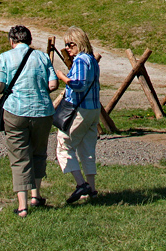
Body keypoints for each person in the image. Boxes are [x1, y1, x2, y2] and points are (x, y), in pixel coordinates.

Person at [0, 25, 57, 218]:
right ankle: (36, 196)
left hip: (15, 111)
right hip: (42, 111)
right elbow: (53, 84)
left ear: (12, 41)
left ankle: (22, 206)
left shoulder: (5, 57)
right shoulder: (42, 57)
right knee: (38, 153)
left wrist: (8, 90)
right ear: (30, 40)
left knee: (20, 157)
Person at [55, 26, 101, 204]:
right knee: (87, 149)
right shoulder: (92, 60)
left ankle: (81, 184)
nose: (67, 48)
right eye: (66, 44)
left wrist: (63, 77)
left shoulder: (81, 60)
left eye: (70, 44)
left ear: (79, 43)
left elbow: (79, 84)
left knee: (64, 142)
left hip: (80, 109)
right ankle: (92, 189)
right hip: (93, 109)